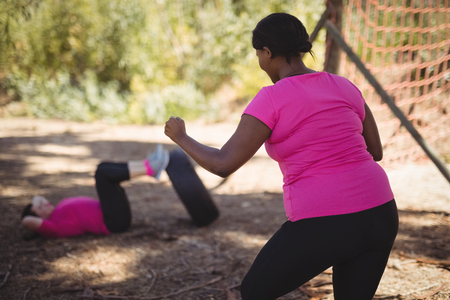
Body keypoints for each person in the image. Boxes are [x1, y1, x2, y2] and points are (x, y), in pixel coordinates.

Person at [164, 12, 398, 300]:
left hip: (324, 221)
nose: (260, 62)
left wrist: (181, 137)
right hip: (381, 211)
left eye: (259, 54)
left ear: (268, 52)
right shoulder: (344, 86)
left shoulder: (271, 98)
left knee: (254, 292)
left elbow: (223, 164)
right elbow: (375, 151)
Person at [21, 145, 169, 239]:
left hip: (113, 213)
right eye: (40, 209)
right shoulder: (53, 227)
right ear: (41, 222)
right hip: (114, 222)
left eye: (41, 205)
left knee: (102, 167)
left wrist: (36, 205)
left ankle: (148, 164)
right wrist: (38, 219)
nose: (44, 204)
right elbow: (27, 221)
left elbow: (37, 198)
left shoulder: (57, 209)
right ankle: (151, 168)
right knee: (102, 174)